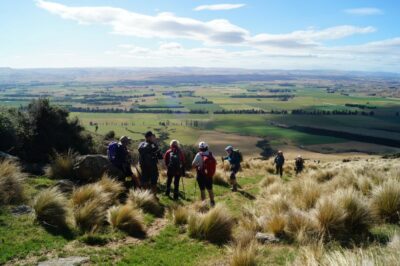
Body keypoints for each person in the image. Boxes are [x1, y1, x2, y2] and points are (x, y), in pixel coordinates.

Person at [192, 141, 216, 207]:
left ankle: (204, 204)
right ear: (206, 147)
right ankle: (212, 202)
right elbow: (215, 162)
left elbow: (193, 164)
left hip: (201, 175)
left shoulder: (198, 154)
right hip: (209, 175)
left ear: (199, 148)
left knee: (202, 190)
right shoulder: (210, 154)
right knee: (210, 189)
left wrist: (198, 165)